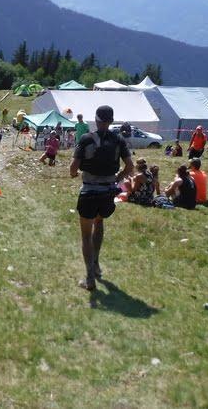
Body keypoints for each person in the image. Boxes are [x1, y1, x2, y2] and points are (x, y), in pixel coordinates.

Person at [70, 105, 134, 291]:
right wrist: (117, 179)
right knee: (99, 223)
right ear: (111, 120)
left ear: (96, 120)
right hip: (108, 192)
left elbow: (73, 168)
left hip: (89, 191)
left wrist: (74, 174)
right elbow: (130, 166)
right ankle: (96, 265)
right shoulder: (119, 140)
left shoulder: (86, 139)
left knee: (85, 235)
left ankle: (90, 277)